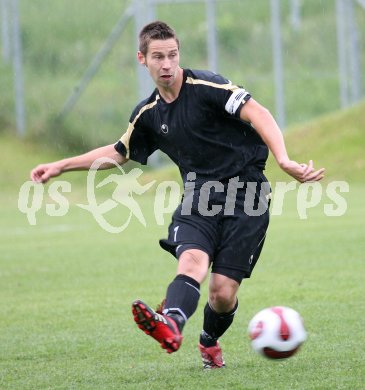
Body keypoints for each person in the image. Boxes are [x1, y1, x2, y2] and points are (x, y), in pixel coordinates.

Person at [31, 21, 325, 369]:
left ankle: (208, 340)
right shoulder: (149, 113)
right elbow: (118, 152)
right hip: (200, 199)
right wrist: (61, 165)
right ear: (142, 59)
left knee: (222, 293)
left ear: (179, 54)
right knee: (192, 263)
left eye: (172, 55)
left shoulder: (207, 86)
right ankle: (170, 323)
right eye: (158, 57)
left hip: (248, 195)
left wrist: (284, 159)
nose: (167, 64)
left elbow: (257, 113)